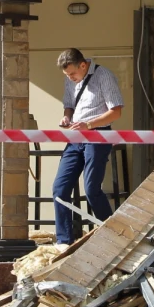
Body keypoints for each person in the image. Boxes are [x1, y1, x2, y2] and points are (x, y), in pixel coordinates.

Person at [54, 48, 124, 247]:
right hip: (75, 137)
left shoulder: (104, 75)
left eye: (73, 74)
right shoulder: (71, 77)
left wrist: (89, 125)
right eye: (67, 76)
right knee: (59, 188)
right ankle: (64, 241)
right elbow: (69, 103)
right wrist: (67, 115)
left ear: (83, 65)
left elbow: (116, 112)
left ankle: (110, 237)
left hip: (98, 135)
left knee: (92, 188)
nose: (71, 78)